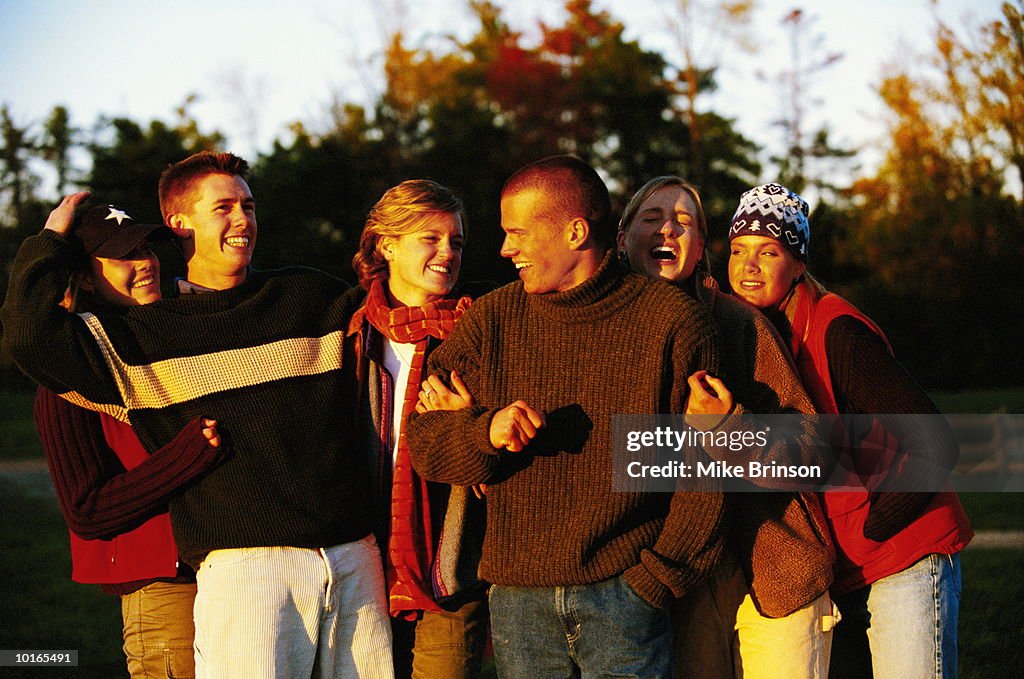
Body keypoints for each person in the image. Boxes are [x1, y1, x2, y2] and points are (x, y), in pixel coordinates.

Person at [2, 152, 394, 679]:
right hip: (186, 582)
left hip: (344, 558)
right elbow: (31, 339)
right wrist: (47, 242)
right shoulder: (122, 349)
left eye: (249, 205)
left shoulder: (306, 294)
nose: (144, 263)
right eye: (225, 206)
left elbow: (398, 316)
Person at [406, 155, 726, 679]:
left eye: (517, 233)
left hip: (628, 598)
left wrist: (658, 580)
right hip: (517, 603)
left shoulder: (672, 323)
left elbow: (709, 466)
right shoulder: (490, 320)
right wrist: (483, 431)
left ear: (576, 231)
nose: (505, 248)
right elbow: (425, 441)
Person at [726, 182, 973, 679]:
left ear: (798, 263)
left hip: (903, 554)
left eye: (768, 251)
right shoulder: (768, 335)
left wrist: (876, 526)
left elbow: (934, 441)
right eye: (737, 249)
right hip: (854, 569)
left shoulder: (836, 330)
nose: (748, 265)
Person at [617, 176, 837, 678]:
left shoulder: (739, 324)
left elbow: (813, 449)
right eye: (652, 219)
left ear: (701, 249)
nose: (668, 230)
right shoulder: (597, 332)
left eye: (685, 222)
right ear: (621, 237)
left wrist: (726, 429)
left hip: (772, 573)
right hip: (670, 585)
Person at [33, 199, 224, 679]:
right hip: (163, 590)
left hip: (229, 572)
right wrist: (186, 455)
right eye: (124, 256)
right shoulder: (65, 373)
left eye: (147, 249)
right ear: (84, 277)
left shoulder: (172, 339)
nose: (146, 264)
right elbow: (87, 510)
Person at [346, 179, 488, 678]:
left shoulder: (483, 331)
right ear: (386, 244)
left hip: (451, 572)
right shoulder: (350, 331)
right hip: (360, 570)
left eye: (456, 241)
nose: (447, 253)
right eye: (430, 238)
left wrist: (469, 427)